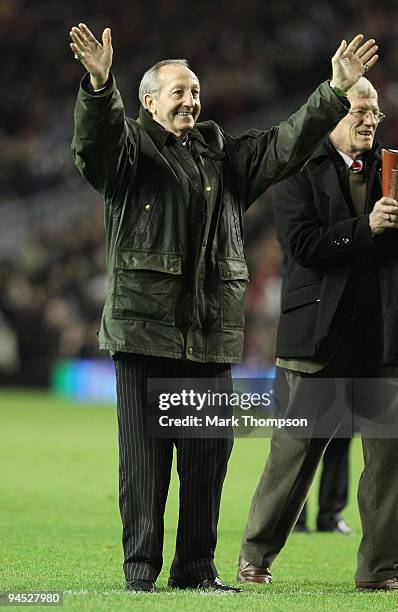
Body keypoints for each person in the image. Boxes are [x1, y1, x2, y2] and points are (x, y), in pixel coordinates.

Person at [69, 22, 377, 593]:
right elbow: (97, 140)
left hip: (210, 335)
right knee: (144, 465)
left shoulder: (224, 155)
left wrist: (333, 92)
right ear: (149, 103)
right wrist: (98, 85)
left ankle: (195, 570)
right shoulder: (129, 154)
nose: (190, 100)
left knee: (208, 463)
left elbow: (287, 143)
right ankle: (140, 573)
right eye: (178, 92)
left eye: (195, 91)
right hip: (144, 334)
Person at [238, 76, 398, 591]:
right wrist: (366, 227)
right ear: (333, 117)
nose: (371, 119)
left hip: (382, 340)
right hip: (318, 341)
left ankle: (380, 572)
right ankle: (254, 559)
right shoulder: (298, 170)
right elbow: (303, 245)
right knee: (292, 458)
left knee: (389, 463)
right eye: (359, 111)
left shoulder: (393, 171)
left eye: (375, 111)